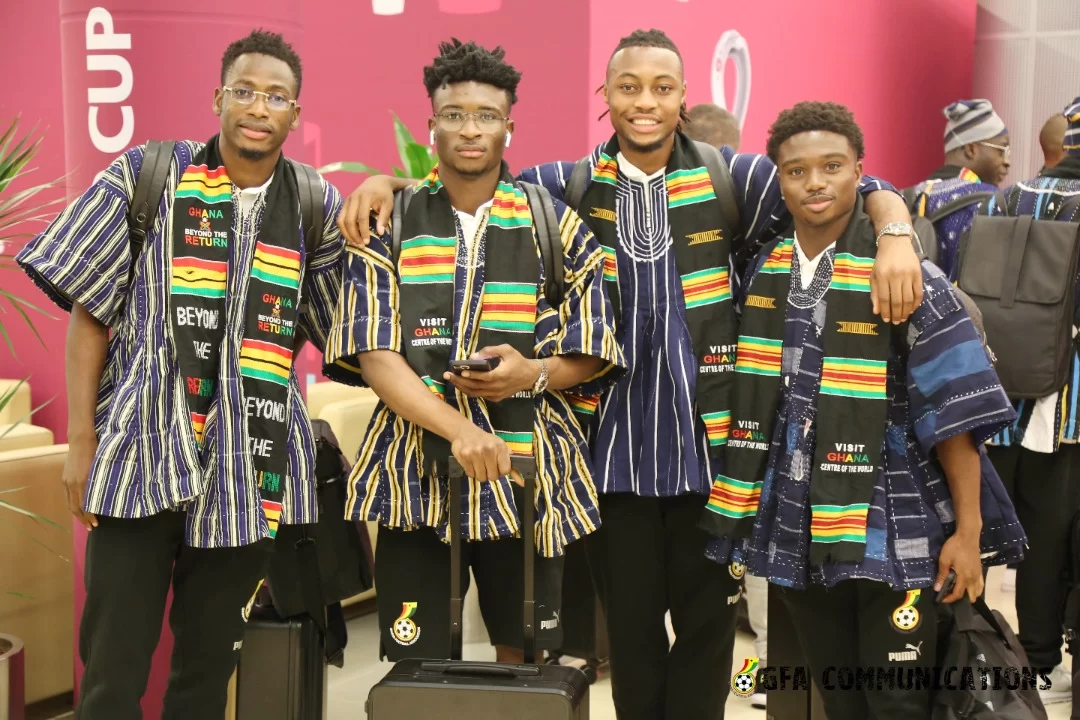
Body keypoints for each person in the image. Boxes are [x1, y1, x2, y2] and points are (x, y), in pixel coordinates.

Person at [338, 28, 924, 720]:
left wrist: (894, 229)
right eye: (629, 87)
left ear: (683, 98)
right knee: (631, 634)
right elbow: (469, 184)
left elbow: (842, 182)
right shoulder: (566, 186)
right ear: (606, 96)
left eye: (662, 88)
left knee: (707, 632)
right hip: (609, 458)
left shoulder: (733, 177)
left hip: (713, 455)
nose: (645, 102)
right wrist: (384, 184)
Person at [14, 30, 344, 720]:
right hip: (138, 453)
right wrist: (81, 442)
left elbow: (343, 324)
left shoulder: (317, 205)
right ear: (218, 97)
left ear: (295, 113)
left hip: (247, 473)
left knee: (206, 673)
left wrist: (391, 190)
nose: (258, 107)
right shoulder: (147, 175)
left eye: (276, 97)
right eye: (244, 90)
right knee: (111, 671)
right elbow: (90, 315)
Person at [703, 100, 1027, 719]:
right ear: (779, 181)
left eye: (832, 166)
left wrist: (967, 534)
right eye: (797, 171)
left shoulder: (909, 278)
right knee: (841, 700)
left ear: (860, 171)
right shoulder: (763, 271)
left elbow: (956, 422)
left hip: (898, 529)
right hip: (800, 528)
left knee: (898, 704)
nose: (815, 182)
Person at [322, 39, 624, 666]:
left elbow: (594, 347)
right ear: (431, 124)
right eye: (454, 114)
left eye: (486, 115)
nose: (469, 129)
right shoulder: (389, 222)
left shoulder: (554, 223)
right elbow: (375, 355)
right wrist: (461, 430)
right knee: (419, 666)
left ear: (509, 126)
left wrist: (532, 374)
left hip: (528, 475)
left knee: (528, 662)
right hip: (413, 475)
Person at [982, 95, 1080, 707]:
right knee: (1049, 536)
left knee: (978, 528)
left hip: (993, 393)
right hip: (1065, 403)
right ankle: (1040, 661)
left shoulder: (1003, 198)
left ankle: (969, 650)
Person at [905, 99, 1009, 279]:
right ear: (971, 149)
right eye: (1002, 150)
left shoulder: (908, 196)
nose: (1007, 162)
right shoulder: (989, 202)